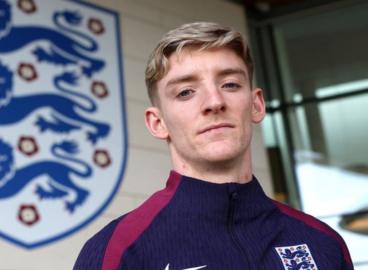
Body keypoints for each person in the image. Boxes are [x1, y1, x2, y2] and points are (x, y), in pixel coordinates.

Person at [74, 22, 353, 270]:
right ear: (158, 123)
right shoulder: (118, 250)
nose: (214, 102)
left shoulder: (321, 243)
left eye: (230, 84)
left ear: (256, 105)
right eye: (185, 92)